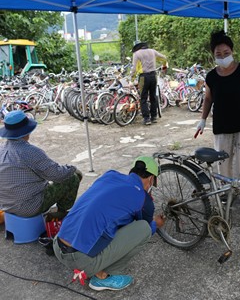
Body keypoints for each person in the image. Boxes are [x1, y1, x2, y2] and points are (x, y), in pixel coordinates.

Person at [53, 156, 166, 292]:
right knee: (144, 229)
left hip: (57, 243)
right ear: (151, 179)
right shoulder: (143, 199)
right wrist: (156, 224)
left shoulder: (110, 175)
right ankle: (104, 276)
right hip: (79, 259)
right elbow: (145, 227)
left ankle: (93, 265)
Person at [194, 30, 240, 209]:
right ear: (213, 55)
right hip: (222, 125)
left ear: (232, 51)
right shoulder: (211, 76)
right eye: (218, 54)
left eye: (226, 53)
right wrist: (203, 120)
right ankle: (226, 191)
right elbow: (208, 98)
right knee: (223, 162)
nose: (222, 56)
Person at [0, 110, 81, 218]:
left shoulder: (1, 149)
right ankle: (61, 212)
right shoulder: (30, 152)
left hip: (5, 205)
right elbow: (57, 174)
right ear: (27, 131)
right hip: (30, 207)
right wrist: (72, 169)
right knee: (73, 177)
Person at [130, 41, 167, 125]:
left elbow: (134, 69)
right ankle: (154, 117)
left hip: (143, 77)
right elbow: (164, 58)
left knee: (143, 98)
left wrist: (132, 79)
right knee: (153, 96)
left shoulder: (136, 54)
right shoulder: (152, 51)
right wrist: (164, 66)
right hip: (154, 76)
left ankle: (146, 119)